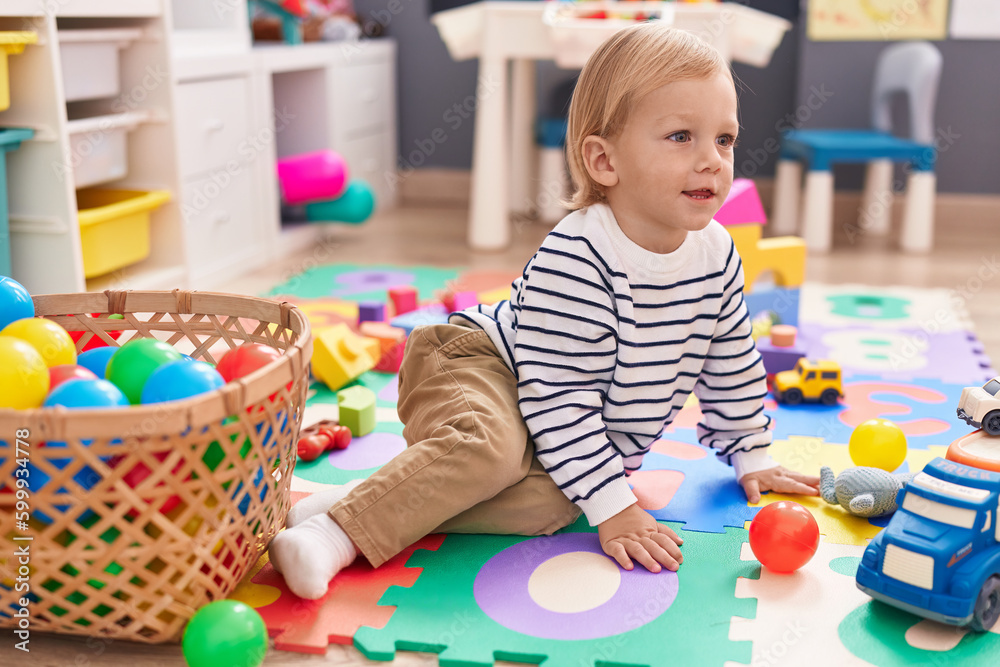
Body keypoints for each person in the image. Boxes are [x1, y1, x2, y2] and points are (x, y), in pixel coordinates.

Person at [269, 23, 820, 600]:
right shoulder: (580, 256)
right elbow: (558, 395)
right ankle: (333, 534)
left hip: (558, 416)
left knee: (554, 503)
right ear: (604, 161)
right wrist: (616, 509)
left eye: (725, 140)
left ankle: (367, 501)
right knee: (491, 454)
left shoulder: (716, 255)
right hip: (478, 365)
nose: (712, 160)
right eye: (681, 136)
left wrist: (750, 453)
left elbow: (730, 359)